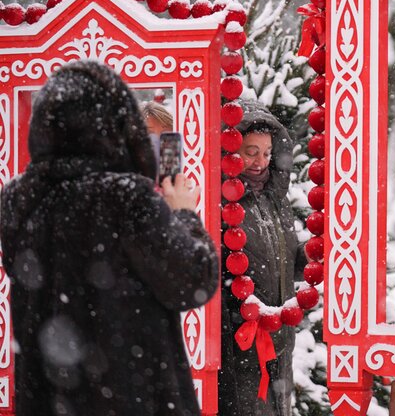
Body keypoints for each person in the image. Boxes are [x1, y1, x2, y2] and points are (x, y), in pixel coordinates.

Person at [0, 60, 219, 416]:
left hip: (51, 397)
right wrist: (184, 214)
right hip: (128, 396)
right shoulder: (125, 195)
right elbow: (193, 279)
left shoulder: (18, 199)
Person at [219, 99, 305, 416]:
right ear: (230, 150)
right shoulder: (221, 204)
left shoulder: (275, 202)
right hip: (239, 339)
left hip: (279, 336)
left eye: (267, 153)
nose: (260, 162)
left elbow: (290, 260)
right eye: (251, 151)